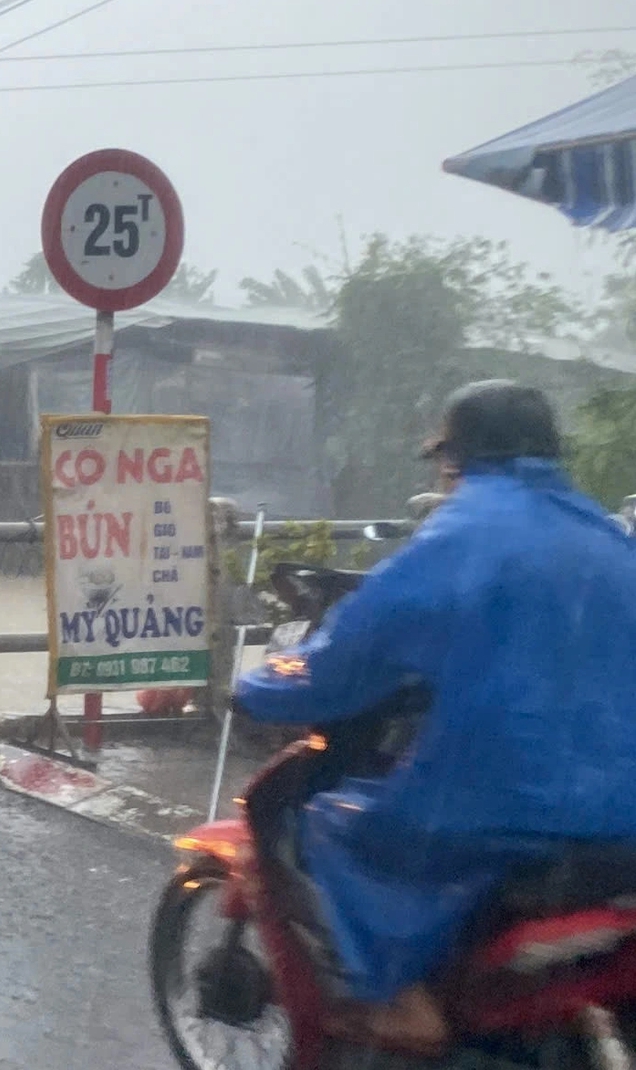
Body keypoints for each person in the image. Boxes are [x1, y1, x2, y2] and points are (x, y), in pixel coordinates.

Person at [234, 380, 636, 1055]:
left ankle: (399, 1001)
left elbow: (343, 659)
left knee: (326, 826)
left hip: (494, 811)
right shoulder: (609, 538)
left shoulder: (459, 538)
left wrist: (263, 684)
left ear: (458, 458)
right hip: (622, 815)